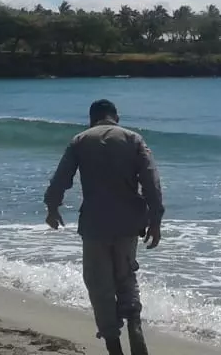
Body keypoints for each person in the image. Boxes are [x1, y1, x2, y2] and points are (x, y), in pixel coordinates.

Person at [44, 99, 164, 355]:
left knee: (99, 285)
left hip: (95, 223)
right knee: (126, 275)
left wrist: (52, 207)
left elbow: (61, 177)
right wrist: (156, 219)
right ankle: (134, 321)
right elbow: (151, 180)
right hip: (128, 222)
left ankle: (113, 345)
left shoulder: (80, 140)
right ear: (116, 117)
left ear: (91, 119)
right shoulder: (133, 139)